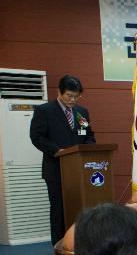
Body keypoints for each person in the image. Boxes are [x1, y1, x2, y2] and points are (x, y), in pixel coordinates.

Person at [29, 74, 95, 244]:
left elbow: (87, 135)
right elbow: (36, 137)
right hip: (56, 169)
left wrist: (88, 146)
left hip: (79, 171)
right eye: (69, 96)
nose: (73, 100)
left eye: (76, 96)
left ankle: (79, 243)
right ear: (59, 91)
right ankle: (59, 246)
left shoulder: (82, 112)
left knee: (80, 207)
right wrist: (58, 150)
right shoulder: (44, 111)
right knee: (59, 209)